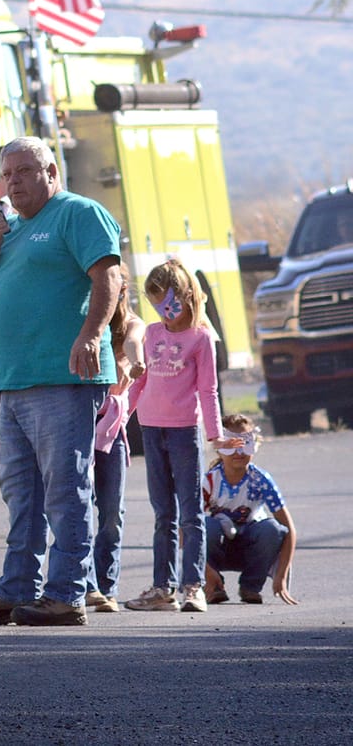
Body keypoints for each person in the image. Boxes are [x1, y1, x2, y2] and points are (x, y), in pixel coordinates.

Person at [0, 136, 124, 627]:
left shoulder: (77, 213)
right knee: (22, 495)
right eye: (7, 174)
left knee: (65, 489)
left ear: (52, 173)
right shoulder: (6, 231)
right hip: (13, 380)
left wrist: (92, 335)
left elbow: (109, 278)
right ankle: (18, 589)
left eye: (25, 172)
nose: (14, 182)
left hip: (62, 376)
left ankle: (68, 592)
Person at [121, 259, 223, 614]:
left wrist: (216, 435)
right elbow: (142, 381)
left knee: (191, 513)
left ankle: (193, 586)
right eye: (156, 307)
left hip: (184, 432)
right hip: (151, 428)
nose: (164, 314)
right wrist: (121, 417)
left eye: (168, 305)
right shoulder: (151, 333)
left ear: (186, 298)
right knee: (162, 512)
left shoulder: (201, 337)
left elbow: (208, 391)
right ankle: (162, 588)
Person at [85, 294, 145, 614]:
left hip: (110, 434)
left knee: (111, 514)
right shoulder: (83, 322)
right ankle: (87, 585)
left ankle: (106, 587)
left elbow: (136, 339)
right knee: (78, 511)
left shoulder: (131, 324)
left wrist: (134, 362)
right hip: (80, 426)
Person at [201, 414, 298, 606]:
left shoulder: (261, 480)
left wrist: (282, 577)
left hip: (251, 547)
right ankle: (213, 586)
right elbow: (185, 529)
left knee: (272, 529)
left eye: (245, 443)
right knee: (205, 526)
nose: (238, 451)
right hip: (218, 548)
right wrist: (205, 570)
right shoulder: (209, 481)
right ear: (219, 448)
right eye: (231, 443)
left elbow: (289, 530)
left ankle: (251, 586)